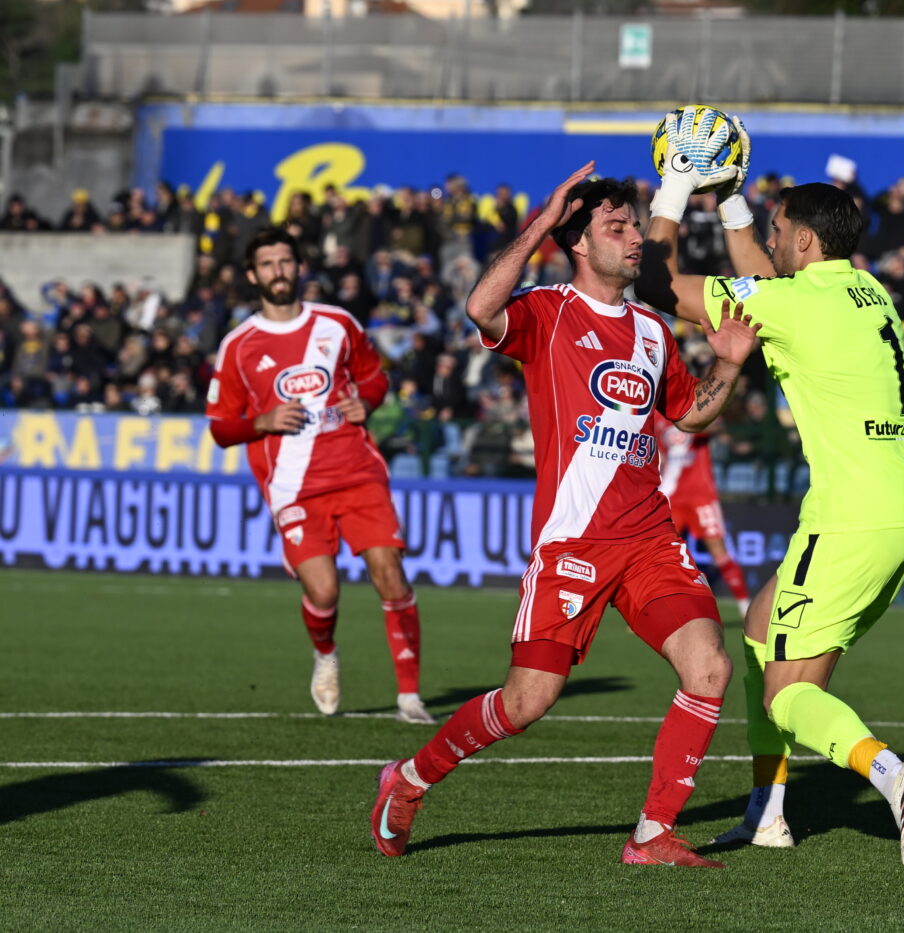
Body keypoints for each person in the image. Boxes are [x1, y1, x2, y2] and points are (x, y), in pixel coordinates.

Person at [370, 162, 762, 868]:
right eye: (617, 227)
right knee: (527, 701)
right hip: (572, 543)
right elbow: (480, 308)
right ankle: (410, 778)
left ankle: (651, 835)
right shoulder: (547, 312)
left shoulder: (650, 329)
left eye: (636, 224)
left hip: (648, 538)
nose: (636, 236)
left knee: (709, 667)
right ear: (578, 242)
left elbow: (688, 413)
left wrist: (729, 366)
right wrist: (539, 222)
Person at [636, 107, 904, 866]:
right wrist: (733, 196)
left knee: (787, 695)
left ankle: (894, 773)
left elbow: (650, 281)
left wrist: (676, 187)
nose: (767, 241)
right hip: (903, 499)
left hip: (852, 512)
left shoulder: (794, 302)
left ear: (805, 240)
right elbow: (767, 282)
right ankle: (767, 811)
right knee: (757, 628)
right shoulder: (865, 292)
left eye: (776, 229)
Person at [205, 227, 433, 725]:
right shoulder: (238, 345)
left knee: (390, 576)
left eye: (285, 261)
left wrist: (366, 401)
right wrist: (261, 422)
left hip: (356, 471)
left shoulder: (338, 324)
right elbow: (221, 429)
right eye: (266, 264)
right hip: (293, 486)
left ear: (300, 267)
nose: (277, 271)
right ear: (252, 275)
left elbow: (375, 376)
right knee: (324, 591)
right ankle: (325, 653)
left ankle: (410, 698)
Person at [657, 416, 752, 616]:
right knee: (660, 554)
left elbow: (717, 425)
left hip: (701, 496)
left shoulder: (693, 408)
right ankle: (660, 607)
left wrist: (696, 424)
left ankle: (745, 607)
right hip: (670, 495)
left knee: (719, 553)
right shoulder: (655, 417)